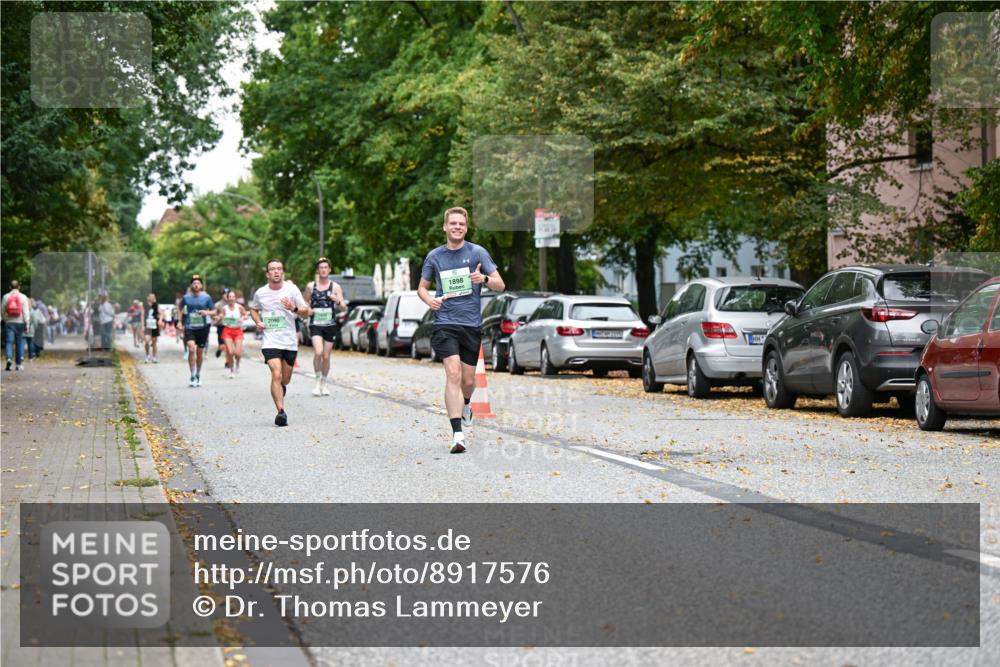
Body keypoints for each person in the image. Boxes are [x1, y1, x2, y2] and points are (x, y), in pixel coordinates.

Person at [417, 206, 505, 453]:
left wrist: (484, 279)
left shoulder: (478, 253)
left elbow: (500, 284)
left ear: (466, 228)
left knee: (468, 380)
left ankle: (466, 403)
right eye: (453, 223)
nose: (457, 227)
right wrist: (429, 300)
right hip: (445, 323)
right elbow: (422, 287)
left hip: (471, 325)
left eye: (461, 224)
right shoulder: (435, 256)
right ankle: (457, 433)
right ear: (445, 227)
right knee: (453, 374)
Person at [250, 259, 308, 426]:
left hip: (289, 342)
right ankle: (281, 412)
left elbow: (305, 311)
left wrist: (294, 308)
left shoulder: (292, 289)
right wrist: (258, 321)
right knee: (276, 373)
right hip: (270, 340)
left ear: (282, 272)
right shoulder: (261, 293)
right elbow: (253, 309)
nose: (276, 272)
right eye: (272, 269)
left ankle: (281, 388)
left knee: (285, 379)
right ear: (267, 274)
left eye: (279, 269)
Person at [303, 257, 348, 396]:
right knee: (318, 352)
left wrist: (338, 300)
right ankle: (316, 382)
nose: (323, 270)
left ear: (329, 270)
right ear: (318, 270)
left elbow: (344, 308)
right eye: (321, 267)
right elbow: (304, 303)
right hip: (315, 324)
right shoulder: (311, 286)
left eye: (325, 267)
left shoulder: (335, 287)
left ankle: (324, 383)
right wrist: (308, 310)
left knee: (327, 356)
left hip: (330, 325)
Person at [178, 275, 216, 387]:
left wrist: (207, 313)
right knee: (191, 348)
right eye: (194, 283)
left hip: (202, 328)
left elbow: (214, 311)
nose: (196, 284)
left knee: (199, 353)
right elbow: (179, 309)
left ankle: (198, 374)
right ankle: (192, 375)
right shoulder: (186, 298)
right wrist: (180, 322)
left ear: (201, 285)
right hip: (190, 327)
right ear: (191, 285)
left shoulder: (207, 297)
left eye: (198, 283)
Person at [217, 290, 246, 378]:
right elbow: (221, 315)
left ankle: (237, 364)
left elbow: (245, 314)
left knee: (237, 353)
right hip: (227, 331)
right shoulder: (224, 308)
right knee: (230, 352)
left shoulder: (239, 307)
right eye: (230, 297)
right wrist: (219, 317)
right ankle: (231, 370)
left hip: (237, 331)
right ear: (227, 298)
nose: (232, 298)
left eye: (233, 297)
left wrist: (243, 318)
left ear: (235, 298)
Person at [2, 280, 30, 371]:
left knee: (9, 342)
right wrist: (27, 323)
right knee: (20, 342)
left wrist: (5, 319)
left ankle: (9, 359)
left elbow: (2, 310)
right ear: (19, 287)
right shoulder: (23, 297)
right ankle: (18, 364)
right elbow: (26, 312)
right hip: (20, 323)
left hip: (9, 323)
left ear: (10, 287)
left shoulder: (6, 297)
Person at [143, 293, 163, 363]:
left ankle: (154, 357)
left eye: (153, 297)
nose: (152, 298)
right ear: (147, 298)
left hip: (154, 325)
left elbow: (161, 313)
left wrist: (160, 320)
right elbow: (142, 315)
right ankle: (147, 356)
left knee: (154, 341)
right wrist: (142, 325)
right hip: (147, 325)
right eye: (150, 297)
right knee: (146, 341)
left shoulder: (156, 305)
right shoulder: (144, 305)